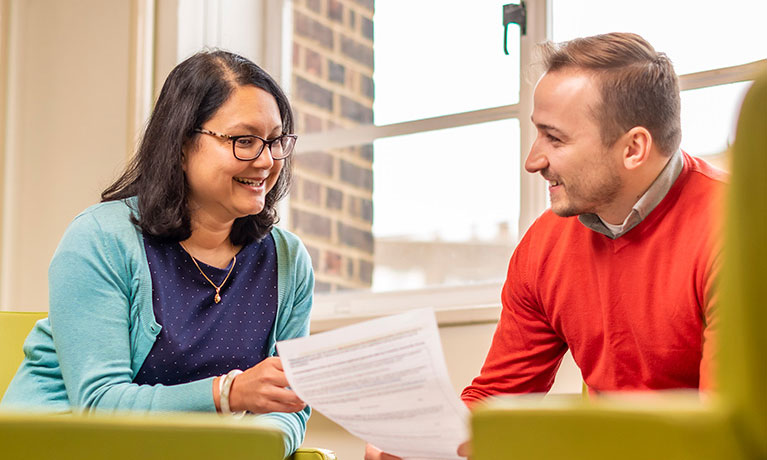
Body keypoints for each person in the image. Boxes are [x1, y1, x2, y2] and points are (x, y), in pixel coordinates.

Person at [366, 32, 725, 460]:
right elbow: (500, 396)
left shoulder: (736, 233)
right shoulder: (545, 245)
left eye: (555, 139)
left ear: (633, 148)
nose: (533, 160)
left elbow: (726, 426)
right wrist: (423, 443)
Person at [1, 50, 313, 457]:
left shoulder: (287, 260)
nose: (267, 161)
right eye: (244, 141)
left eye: (275, 141)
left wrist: (261, 445)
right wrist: (229, 393)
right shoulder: (100, 238)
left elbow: (289, 404)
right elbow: (98, 406)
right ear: (182, 145)